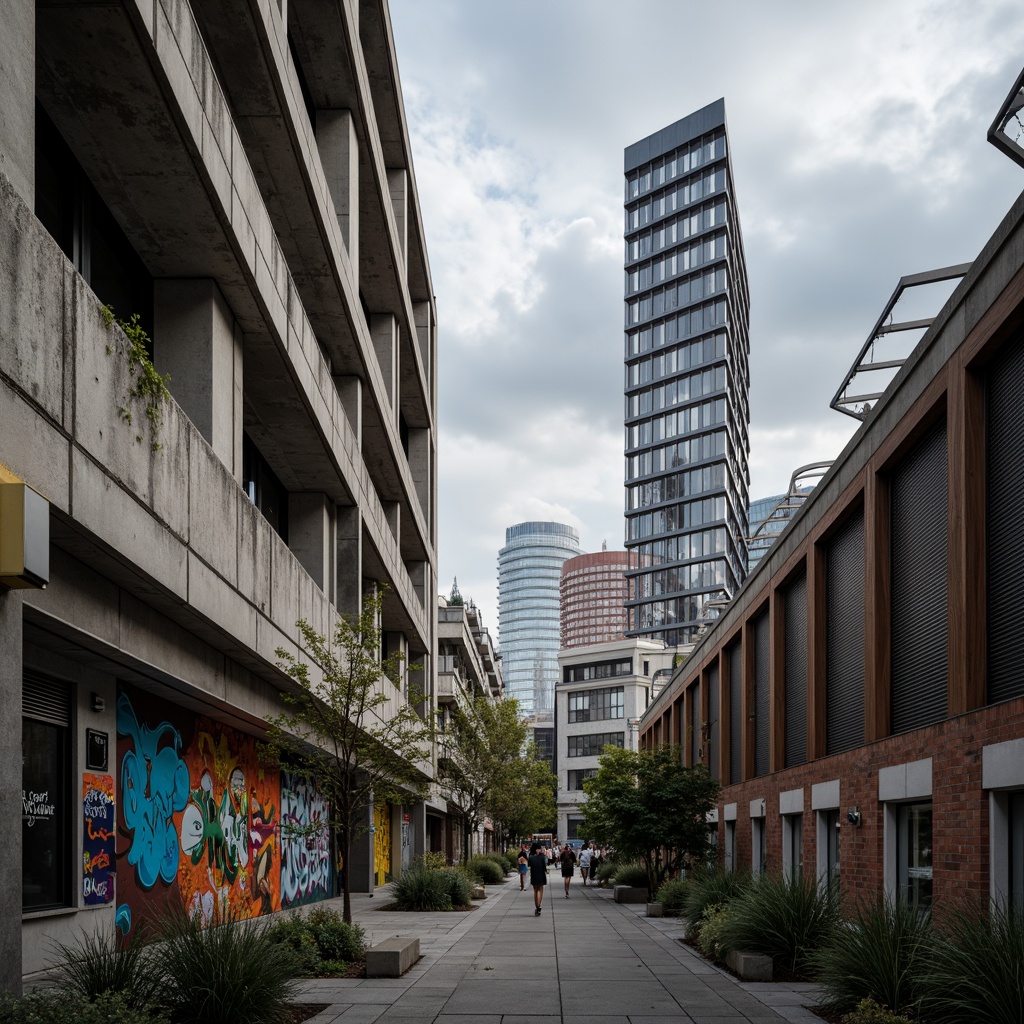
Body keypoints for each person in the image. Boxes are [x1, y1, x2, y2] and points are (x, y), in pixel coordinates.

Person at [527, 842, 548, 915]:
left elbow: (529, 864)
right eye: (539, 849)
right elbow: (544, 865)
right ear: (537, 850)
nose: (540, 850)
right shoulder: (542, 856)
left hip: (533, 875)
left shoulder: (531, 857)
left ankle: (537, 907)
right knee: (540, 890)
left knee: (535, 891)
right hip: (541, 875)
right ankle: (539, 906)